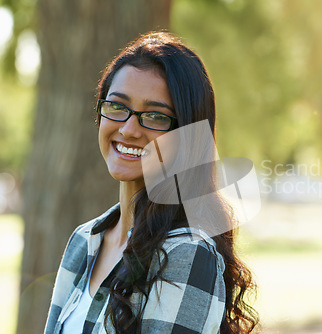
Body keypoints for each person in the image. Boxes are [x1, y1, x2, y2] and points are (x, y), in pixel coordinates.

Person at [44, 31, 259, 334]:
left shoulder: (188, 255)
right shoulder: (84, 239)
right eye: (118, 107)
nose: (129, 130)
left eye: (156, 116)